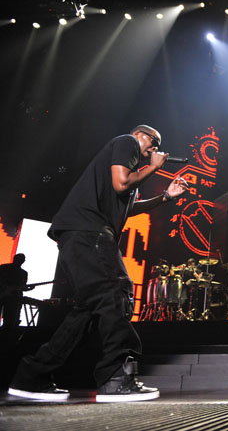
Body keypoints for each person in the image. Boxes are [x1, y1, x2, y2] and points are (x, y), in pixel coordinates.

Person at [8, 125, 188, 402]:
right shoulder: (127, 142)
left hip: (81, 234)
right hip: (89, 232)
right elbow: (121, 183)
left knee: (88, 309)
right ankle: (116, 378)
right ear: (139, 135)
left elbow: (128, 207)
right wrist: (153, 167)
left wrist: (165, 197)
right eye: (153, 141)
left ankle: (32, 375)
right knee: (117, 290)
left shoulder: (128, 167)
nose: (154, 148)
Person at [0, 253, 28, 329]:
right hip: (10, 298)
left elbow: (22, 287)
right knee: (9, 320)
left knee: (9, 320)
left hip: (12, 298)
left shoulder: (3, 267)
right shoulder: (3, 267)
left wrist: (27, 288)